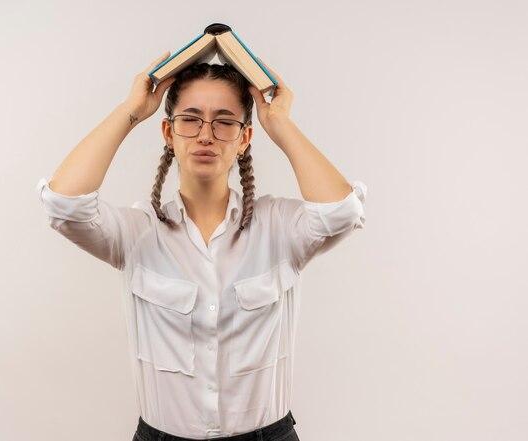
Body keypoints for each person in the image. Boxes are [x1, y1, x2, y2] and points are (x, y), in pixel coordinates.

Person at [36, 50, 367, 440]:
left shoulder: (279, 228)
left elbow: (342, 212)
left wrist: (278, 122)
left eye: (224, 122)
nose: (206, 134)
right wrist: (132, 109)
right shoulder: (138, 232)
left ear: (245, 138)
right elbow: (64, 204)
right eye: (190, 120)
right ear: (168, 133)